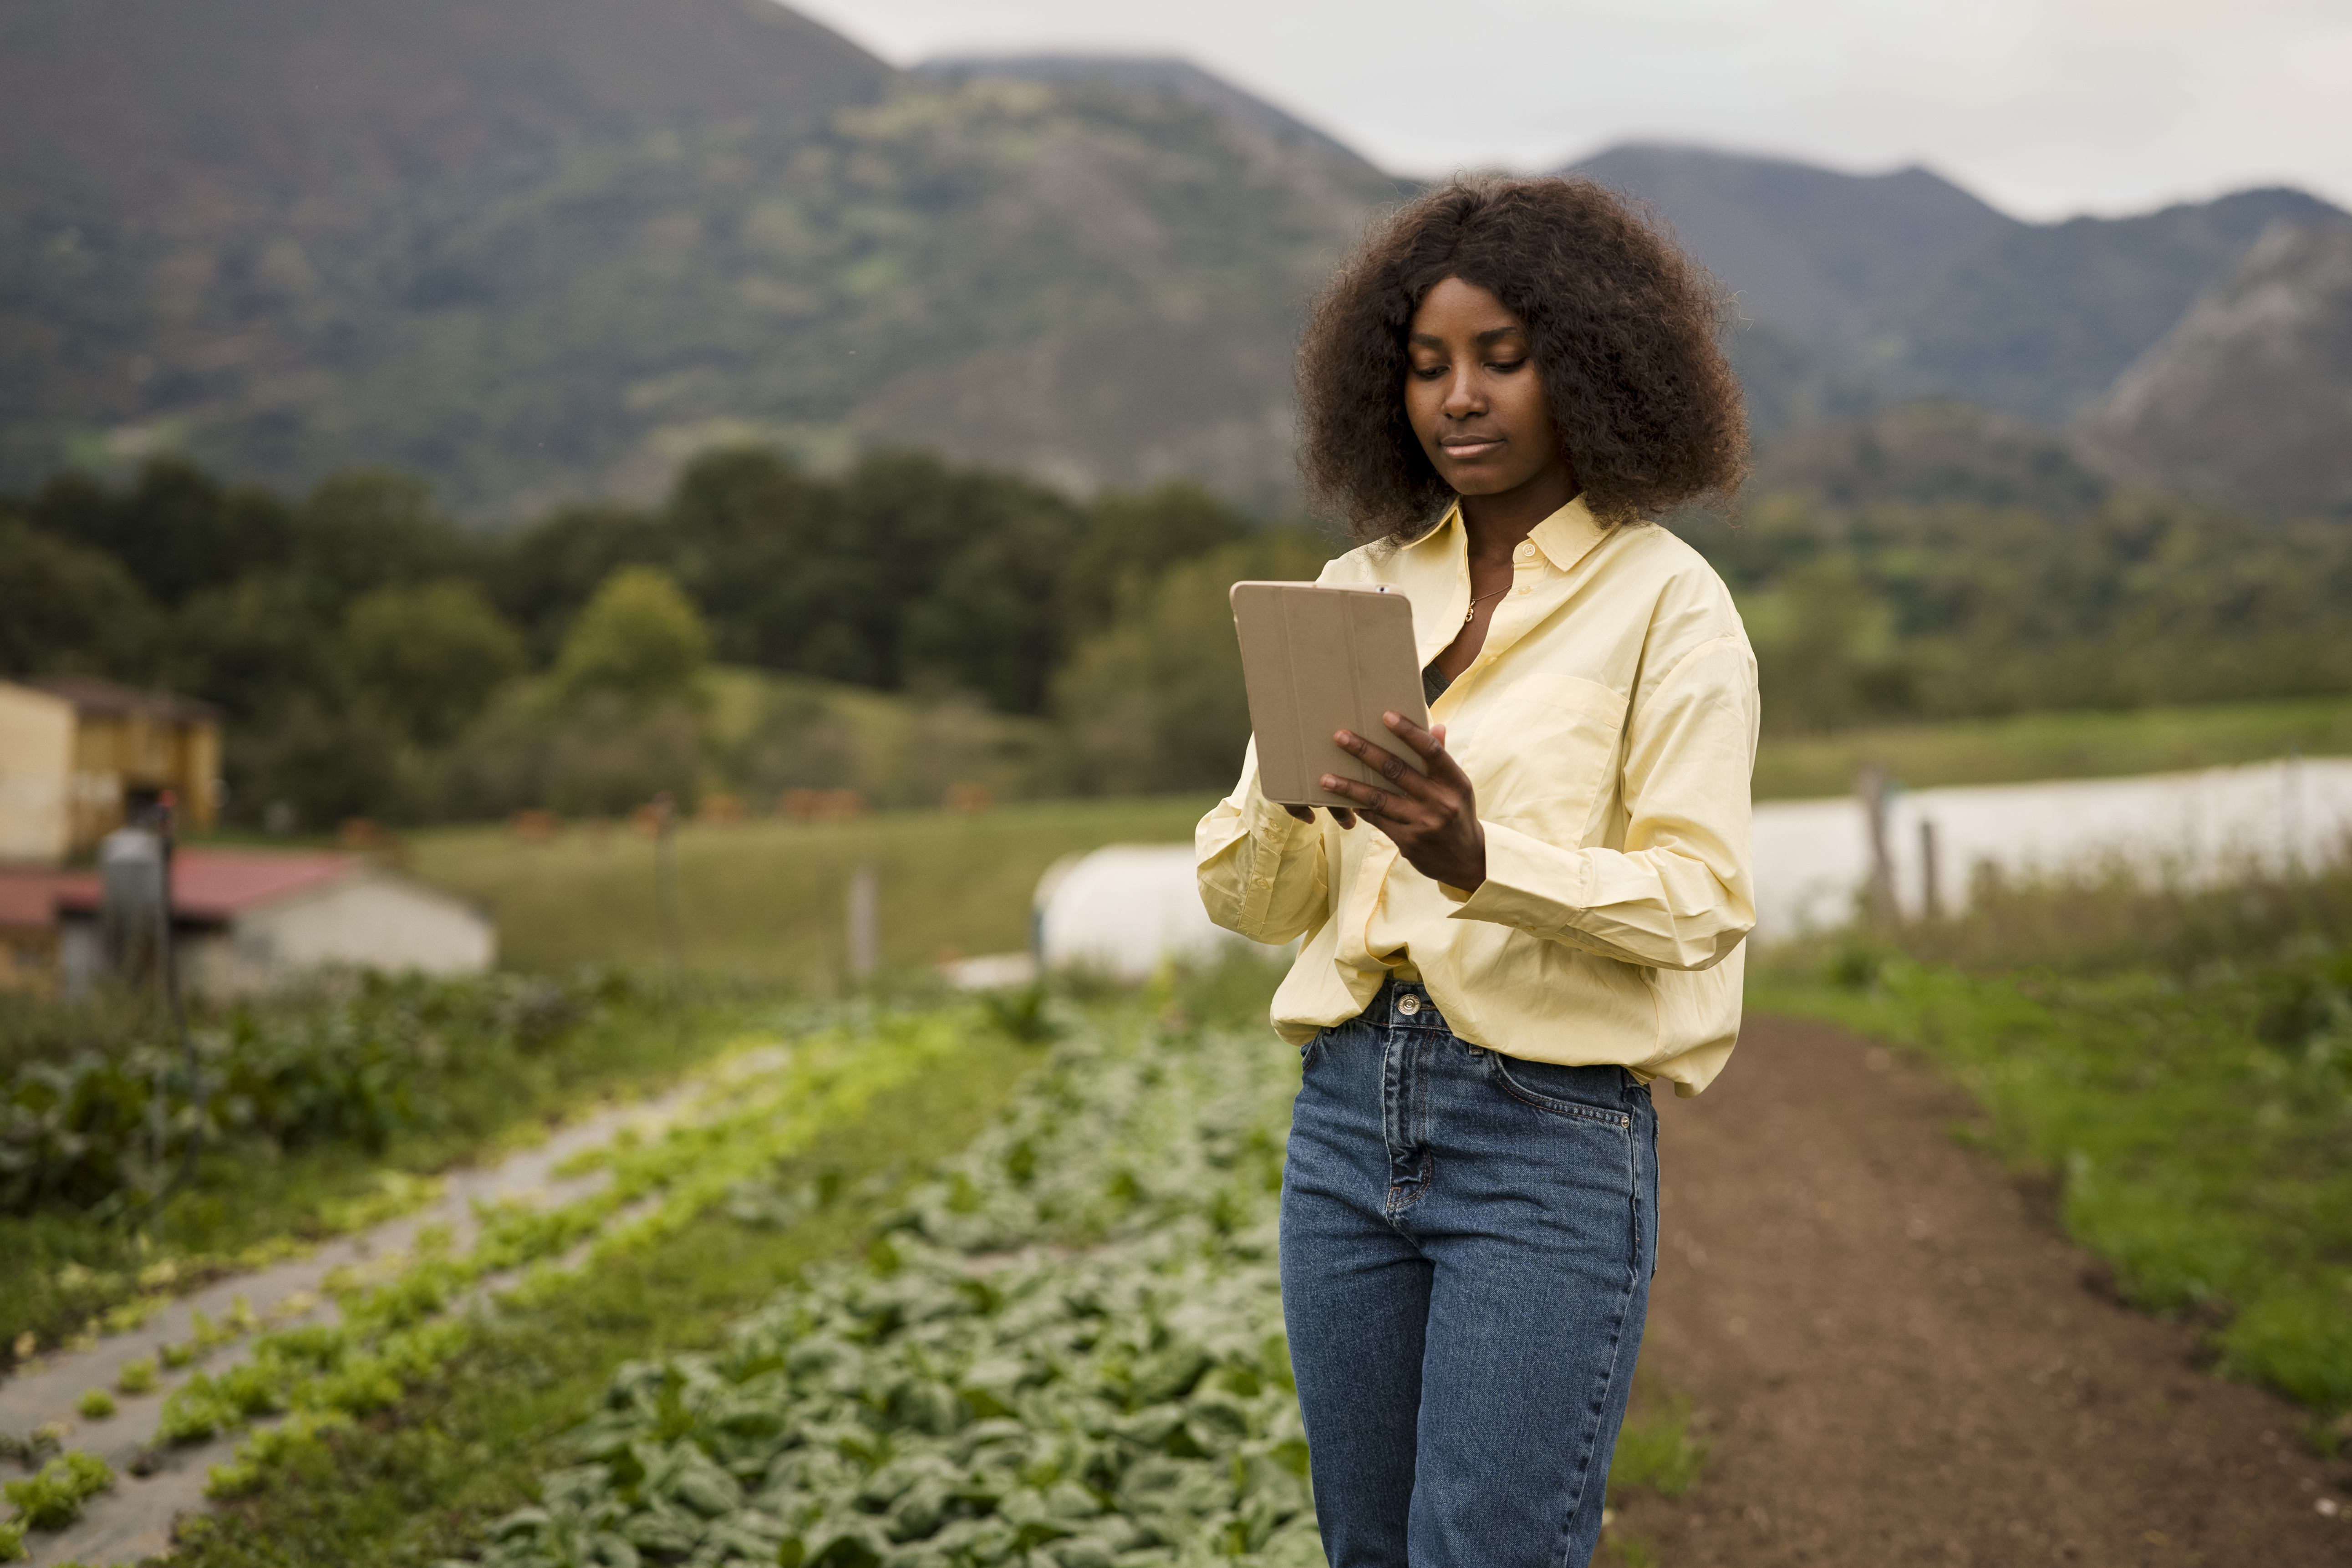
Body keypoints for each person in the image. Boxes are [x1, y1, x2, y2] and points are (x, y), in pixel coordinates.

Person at [1196, 176, 1757, 1568]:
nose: (1461, 396)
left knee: (1487, 1548)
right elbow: (1257, 901)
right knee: (1370, 1549)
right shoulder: (1356, 585)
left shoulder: (1667, 602)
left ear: (1596, 364)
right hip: (1343, 1122)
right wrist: (1287, 781)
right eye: (1428, 365)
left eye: (1504, 358)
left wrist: (1478, 857)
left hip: (1544, 1134)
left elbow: (1702, 902)